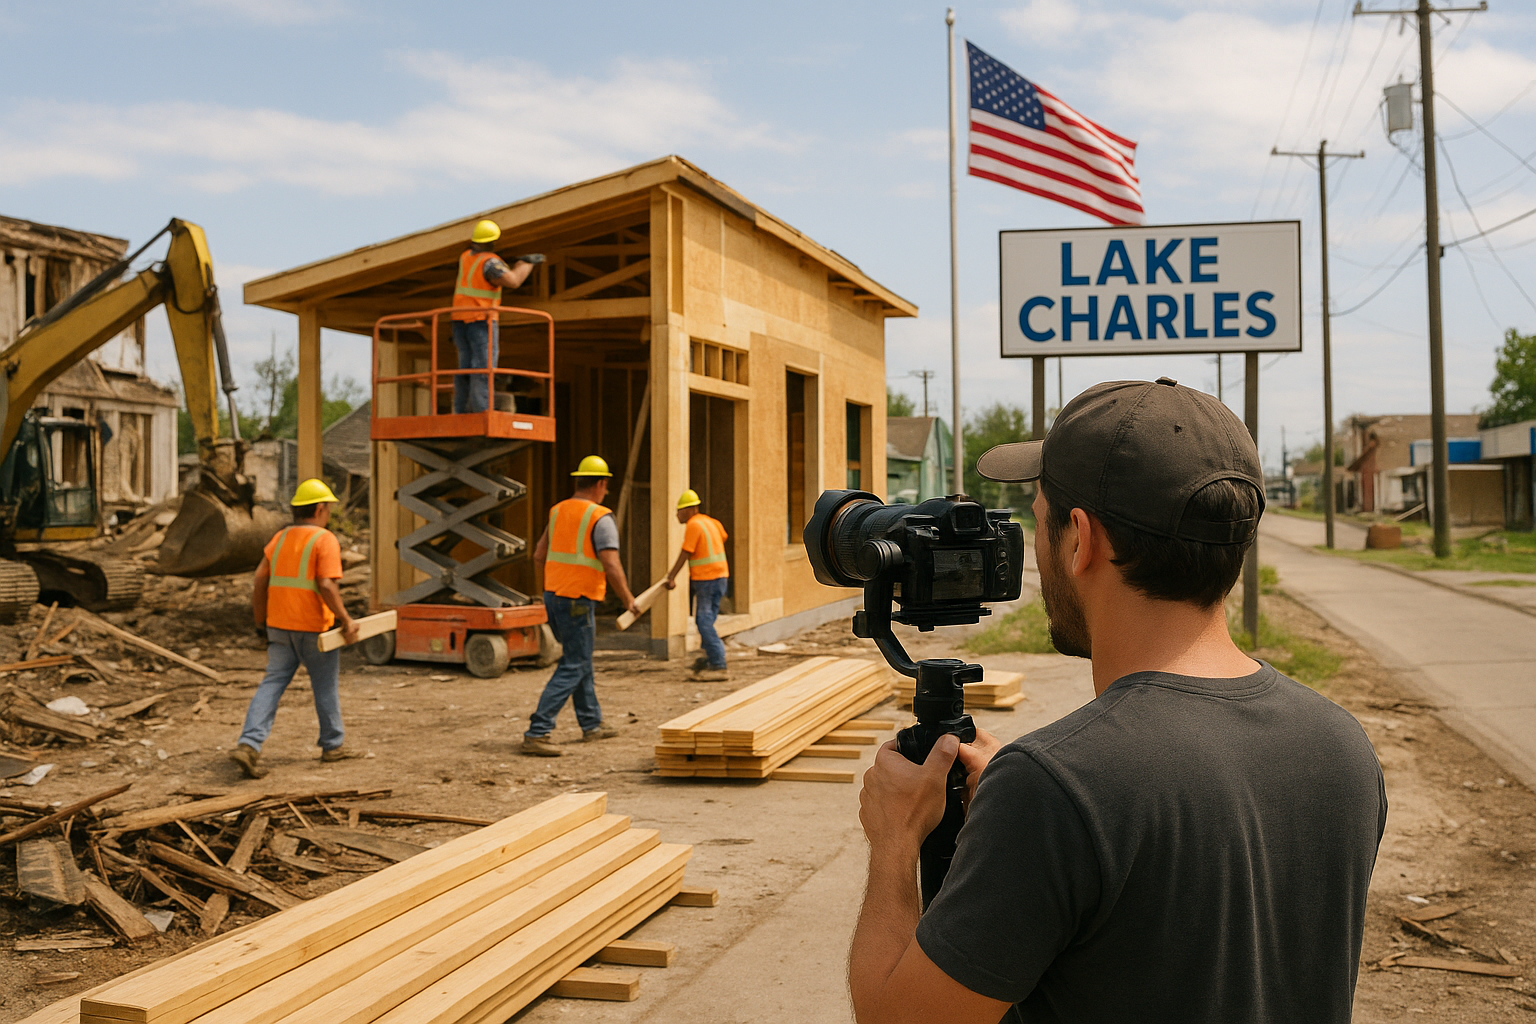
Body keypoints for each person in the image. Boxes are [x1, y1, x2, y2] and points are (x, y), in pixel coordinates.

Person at [849, 378, 1387, 1024]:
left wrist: (894, 842)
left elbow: (896, 1018)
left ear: (1081, 540)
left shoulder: (1057, 790)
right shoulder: (1342, 747)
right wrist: (1035, 830)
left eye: (1039, 517)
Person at [230, 479, 361, 779]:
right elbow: (326, 584)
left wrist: (259, 622)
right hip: (313, 629)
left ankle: (249, 744)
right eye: (327, 508)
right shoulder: (324, 540)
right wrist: (346, 620)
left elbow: (260, 579)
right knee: (324, 686)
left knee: (272, 684)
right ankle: (332, 745)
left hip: (279, 626)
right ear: (319, 509)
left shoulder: (281, 538)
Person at [524, 455, 640, 757]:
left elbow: (538, 555)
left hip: (555, 596)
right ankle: (538, 731)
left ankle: (592, 725)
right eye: (606, 486)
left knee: (580, 659)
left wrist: (547, 590)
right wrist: (628, 599)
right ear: (600, 484)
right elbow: (611, 565)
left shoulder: (558, 511)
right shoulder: (600, 517)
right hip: (578, 600)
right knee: (574, 664)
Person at [450, 219, 544, 414]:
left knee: (465, 367)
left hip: (460, 319)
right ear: (493, 241)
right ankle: (482, 411)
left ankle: (461, 410)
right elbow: (514, 281)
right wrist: (527, 263)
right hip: (480, 320)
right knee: (483, 367)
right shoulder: (489, 262)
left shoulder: (465, 256)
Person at [662, 488, 729, 680]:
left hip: (707, 579)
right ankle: (708, 659)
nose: (677, 514)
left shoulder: (693, 525)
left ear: (691, 510)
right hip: (721, 577)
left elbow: (686, 552)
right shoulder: (712, 522)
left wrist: (671, 576)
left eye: (680, 510)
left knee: (703, 621)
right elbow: (723, 536)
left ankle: (718, 664)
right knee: (708, 620)